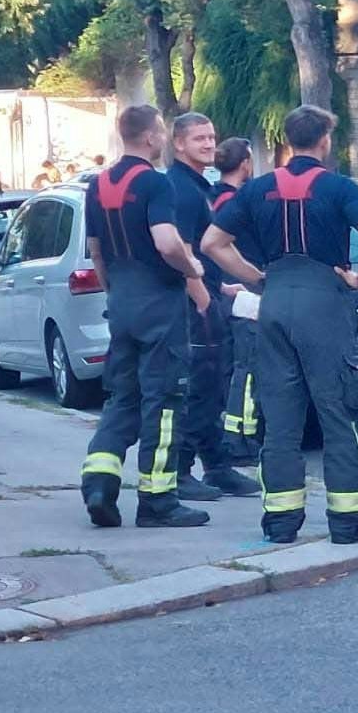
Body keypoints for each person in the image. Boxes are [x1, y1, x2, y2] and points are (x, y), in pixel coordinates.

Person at [204, 106, 358, 545]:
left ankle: (282, 523)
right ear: (324, 140)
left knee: (281, 419)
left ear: (288, 140)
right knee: (337, 414)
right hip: (324, 303)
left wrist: (256, 279)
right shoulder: (338, 187)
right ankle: (346, 524)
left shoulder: (257, 190)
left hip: (275, 302)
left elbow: (213, 243)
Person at [77, 106, 211, 529]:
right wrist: (193, 269)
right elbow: (167, 241)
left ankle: (99, 481)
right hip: (159, 301)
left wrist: (115, 291)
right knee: (165, 400)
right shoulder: (156, 183)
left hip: (122, 299)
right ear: (152, 137)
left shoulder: (97, 185)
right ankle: (158, 500)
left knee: (122, 396)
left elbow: (96, 250)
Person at [165, 113, 260, 500]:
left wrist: (225, 288)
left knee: (212, 388)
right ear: (178, 145)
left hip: (211, 297)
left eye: (211, 137)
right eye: (199, 139)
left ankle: (217, 466)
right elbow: (182, 254)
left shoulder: (197, 186)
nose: (208, 144)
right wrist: (205, 303)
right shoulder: (182, 191)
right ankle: (182, 470)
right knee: (198, 388)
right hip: (194, 310)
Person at [211, 137, 262, 464]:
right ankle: (240, 438)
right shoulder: (238, 202)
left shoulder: (214, 197)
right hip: (245, 291)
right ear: (245, 163)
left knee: (234, 366)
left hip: (226, 293)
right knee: (248, 366)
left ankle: (234, 433)